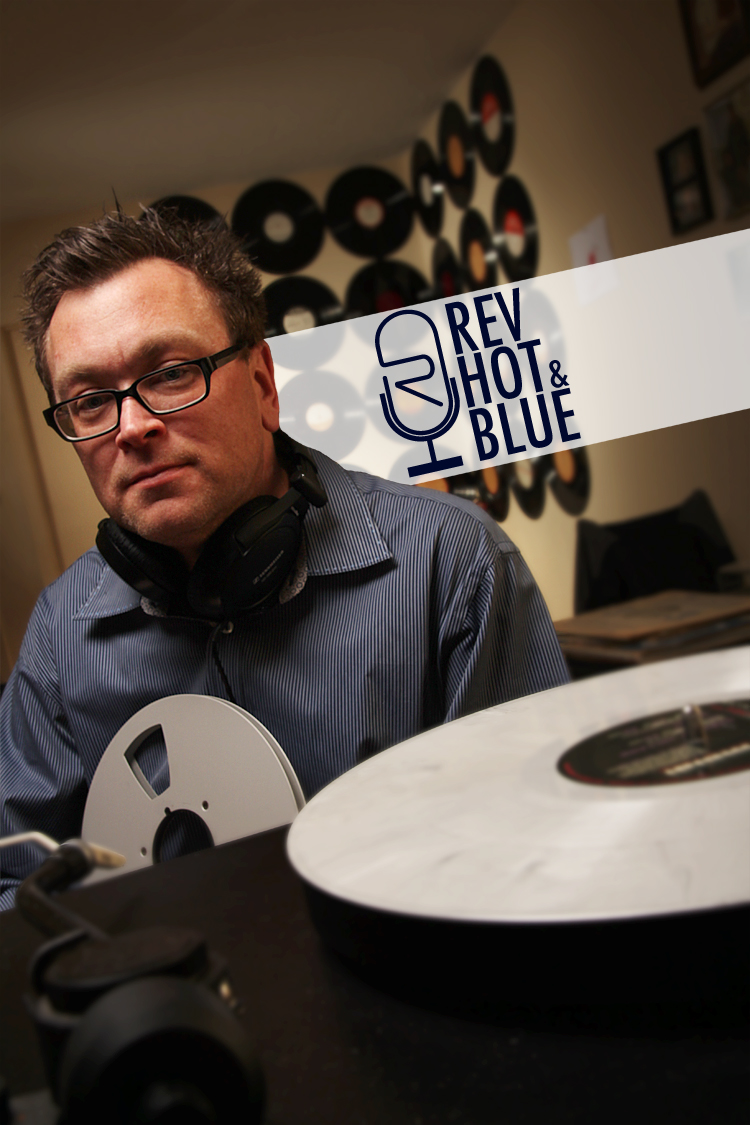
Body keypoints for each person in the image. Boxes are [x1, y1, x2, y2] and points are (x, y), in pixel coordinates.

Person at [0, 208, 569, 908]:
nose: (134, 427)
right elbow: (13, 882)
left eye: (172, 373)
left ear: (263, 384)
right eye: (90, 401)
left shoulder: (452, 564)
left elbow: (540, 849)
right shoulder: (59, 635)